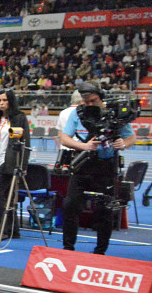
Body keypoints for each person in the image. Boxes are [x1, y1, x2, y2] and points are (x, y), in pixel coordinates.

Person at [58, 82, 136, 254]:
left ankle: (100, 251)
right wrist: (83, 146)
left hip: (106, 167)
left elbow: (131, 138)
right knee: (70, 205)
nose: (89, 105)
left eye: (93, 101)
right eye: (86, 102)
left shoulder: (114, 114)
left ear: (101, 98)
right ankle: (68, 248)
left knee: (105, 210)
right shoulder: (77, 113)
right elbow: (64, 138)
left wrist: (123, 143)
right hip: (82, 165)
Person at [0, 90, 30, 241]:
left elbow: (26, 143)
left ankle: (1, 229)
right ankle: (13, 230)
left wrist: (23, 165)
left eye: (4, 100)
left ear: (11, 101)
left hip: (10, 163)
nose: (1, 103)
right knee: (6, 197)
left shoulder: (19, 118)